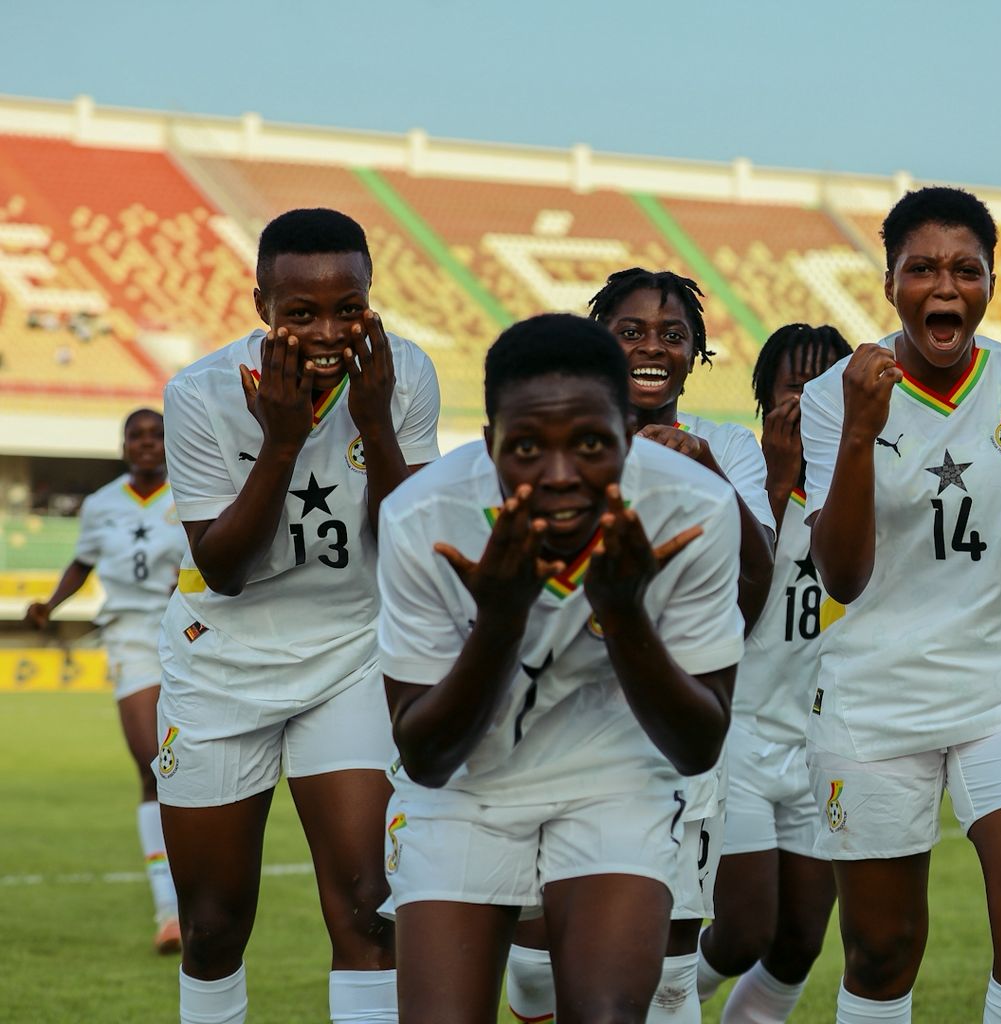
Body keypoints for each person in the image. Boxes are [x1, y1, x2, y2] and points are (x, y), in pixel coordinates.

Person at [378, 313, 744, 1023]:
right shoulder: (421, 515)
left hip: (613, 776)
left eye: (590, 444)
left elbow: (698, 746)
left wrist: (625, 612)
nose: (559, 474)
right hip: (468, 785)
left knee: (605, 1015)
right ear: (488, 446)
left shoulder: (692, 507)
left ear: (628, 439)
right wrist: (500, 619)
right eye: (524, 448)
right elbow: (425, 757)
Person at [800, 186, 1001, 1024]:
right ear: (890, 283)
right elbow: (842, 576)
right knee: (883, 952)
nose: (946, 285)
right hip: (873, 698)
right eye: (921, 268)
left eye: (967, 269)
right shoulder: (835, 396)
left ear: (992, 282)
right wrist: (859, 430)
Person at [157, 208, 440, 1024]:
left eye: (347, 308)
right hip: (223, 661)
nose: (328, 331)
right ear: (260, 307)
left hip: (350, 654)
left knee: (364, 907)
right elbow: (224, 569)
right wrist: (281, 442)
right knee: (211, 927)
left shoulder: (403, 373)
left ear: (370, 300)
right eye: (300, 313)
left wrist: (376, 422)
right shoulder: (202, 393)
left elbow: (407, 539)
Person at [505, 269, 775, 1023]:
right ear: (600, 343)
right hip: (557, 718)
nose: (653, 347)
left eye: (673, 334)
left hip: (674, 723)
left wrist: (705, 473)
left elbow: (753, 592)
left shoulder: (729, 448)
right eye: (631, 332)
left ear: (697, 353)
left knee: (670, 969)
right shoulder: (558, 438)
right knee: (533, 964)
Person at [697, 323, 851, 1021]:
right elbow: (734, 611)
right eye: (796, 384)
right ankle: (649, 1002)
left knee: (798, 942)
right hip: (739, 735)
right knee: (740, 933)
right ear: (764, 396)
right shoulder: (736, 476)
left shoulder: (857, 493)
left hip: (820, 742)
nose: (809, 401)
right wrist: (780, 480)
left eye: (827, 386)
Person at [24, 408, 186, 954]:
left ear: (170, 442)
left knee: (195, 767)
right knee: (152, 766)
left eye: (157, 434)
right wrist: (51, 603)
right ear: (123, 447)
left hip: (190, 632)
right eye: (136, 436)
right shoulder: (101, 504)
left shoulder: (194, 492)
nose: (147, 443)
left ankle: (202, 891)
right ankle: (169, 910)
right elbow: (83, 562)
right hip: (131, 636)